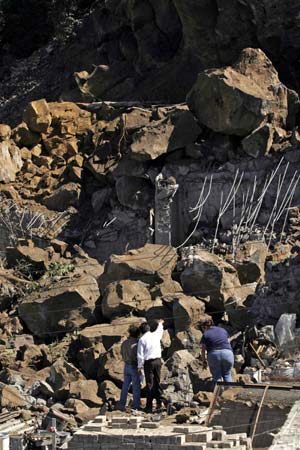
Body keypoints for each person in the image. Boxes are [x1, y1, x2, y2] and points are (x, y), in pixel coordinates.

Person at [137, 319, 164, 413]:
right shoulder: (155, 335)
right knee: (157, 382)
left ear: (141, 331)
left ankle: (149, 406)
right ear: (148, 329)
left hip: (149, 363)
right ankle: (159, 403)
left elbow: (140, 355)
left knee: (149, 383)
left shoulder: (142, 340)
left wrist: (139, 366)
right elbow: (160, 329)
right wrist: (160, 323)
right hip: (158, 361)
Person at [119, 325, 141, 411]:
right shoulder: (137, 344)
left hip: (126, 365)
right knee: (136, 386)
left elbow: (121, 353)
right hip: (134, 366)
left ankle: (122, 403)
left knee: (125, 385)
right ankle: (136, 406)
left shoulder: (124, 343)